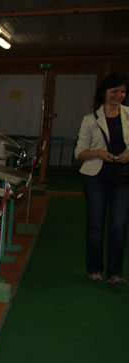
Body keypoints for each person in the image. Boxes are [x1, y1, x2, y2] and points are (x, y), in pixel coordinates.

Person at [74, 72, 129, 285]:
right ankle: (94, 269)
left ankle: (115, 273)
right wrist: (98, 153)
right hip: (95, 177)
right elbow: (79, 153)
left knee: (118, 226)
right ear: (104, 92)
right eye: (114, 91)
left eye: (122, 91)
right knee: (96, 225)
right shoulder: (90, 120)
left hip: (123, 177)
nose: (119, 95)